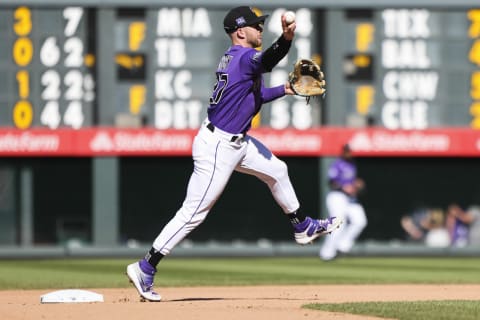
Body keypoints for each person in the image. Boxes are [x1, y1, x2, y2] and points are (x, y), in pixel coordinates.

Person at [126, 6, 342, 302]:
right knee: (193, 213)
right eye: (256, 26)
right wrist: (287, 38)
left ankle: (303, 226)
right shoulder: (244, 57)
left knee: (277, 170)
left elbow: (257, 95)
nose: (260, 30)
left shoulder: (238, 60)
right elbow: (268, 60)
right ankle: (145, 267)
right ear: (240, 32)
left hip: (236, 143)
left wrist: (287, 89)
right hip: (218, 147)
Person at [319, 144, 367, 261]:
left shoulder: (352, 165)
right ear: (343, 152)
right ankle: (327, 253)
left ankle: (342, 245)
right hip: (337, 196)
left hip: (350, 199)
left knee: (360, 221)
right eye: (347, 151)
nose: (349, 153)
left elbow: (351, 183)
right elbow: (331, 181)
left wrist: (356, 184)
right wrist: (343, 187)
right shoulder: (338, 164)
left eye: (350, 151)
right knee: (339, 224)